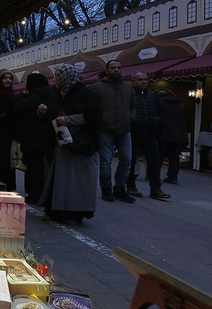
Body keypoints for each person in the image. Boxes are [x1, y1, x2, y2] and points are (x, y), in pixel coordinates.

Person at [38, 64, 102, 222]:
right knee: (62, 180)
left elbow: (95, 117)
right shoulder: (58, 94)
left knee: (77, 181)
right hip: (62, 144)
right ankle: (58, 211)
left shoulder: (86, 93)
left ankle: (75, 212)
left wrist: (69, 119)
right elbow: (49, 114)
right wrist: (41, 111)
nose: (55, 79)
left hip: (79, 145)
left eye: (57, 76)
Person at [92, 60, 135, 203]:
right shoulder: (97, 87)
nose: (116, 70)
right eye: (113, 68)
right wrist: (101, 120)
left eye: (118, 67)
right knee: (106, 162)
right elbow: (94, 108)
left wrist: (131, 118)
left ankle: (119, 188)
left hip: (124, 129)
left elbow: (134, 105)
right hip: (106, 129)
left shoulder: (128, 87)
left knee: (127, 160)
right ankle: (106, 189)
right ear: (106, 70)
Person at [12, 72, 57, 206]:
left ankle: (34, 194)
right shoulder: (51, 96)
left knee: (33, 168)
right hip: (47, 139)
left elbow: (18, 111)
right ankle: (41, 193)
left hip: (31, 139)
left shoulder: (29, 100)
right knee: (43, 168)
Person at [125, 71, 169, 200]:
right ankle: (131, 186)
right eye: (140, 79)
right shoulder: (129, 95)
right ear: (133, 81)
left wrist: (157, 121)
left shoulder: (152, 95)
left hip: (150, 133)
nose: (143, 82)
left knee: (154, 161)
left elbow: (160, 111)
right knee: (131, 161)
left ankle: (155, 188)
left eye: (145, 79)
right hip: (133, 132)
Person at [157, 88, 188, 185]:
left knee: (159, 157)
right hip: (179, 135)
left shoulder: (159, 104)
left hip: (165, 134)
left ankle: (155, 176)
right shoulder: (180, 104)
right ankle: (173, 177)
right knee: (174, 157)